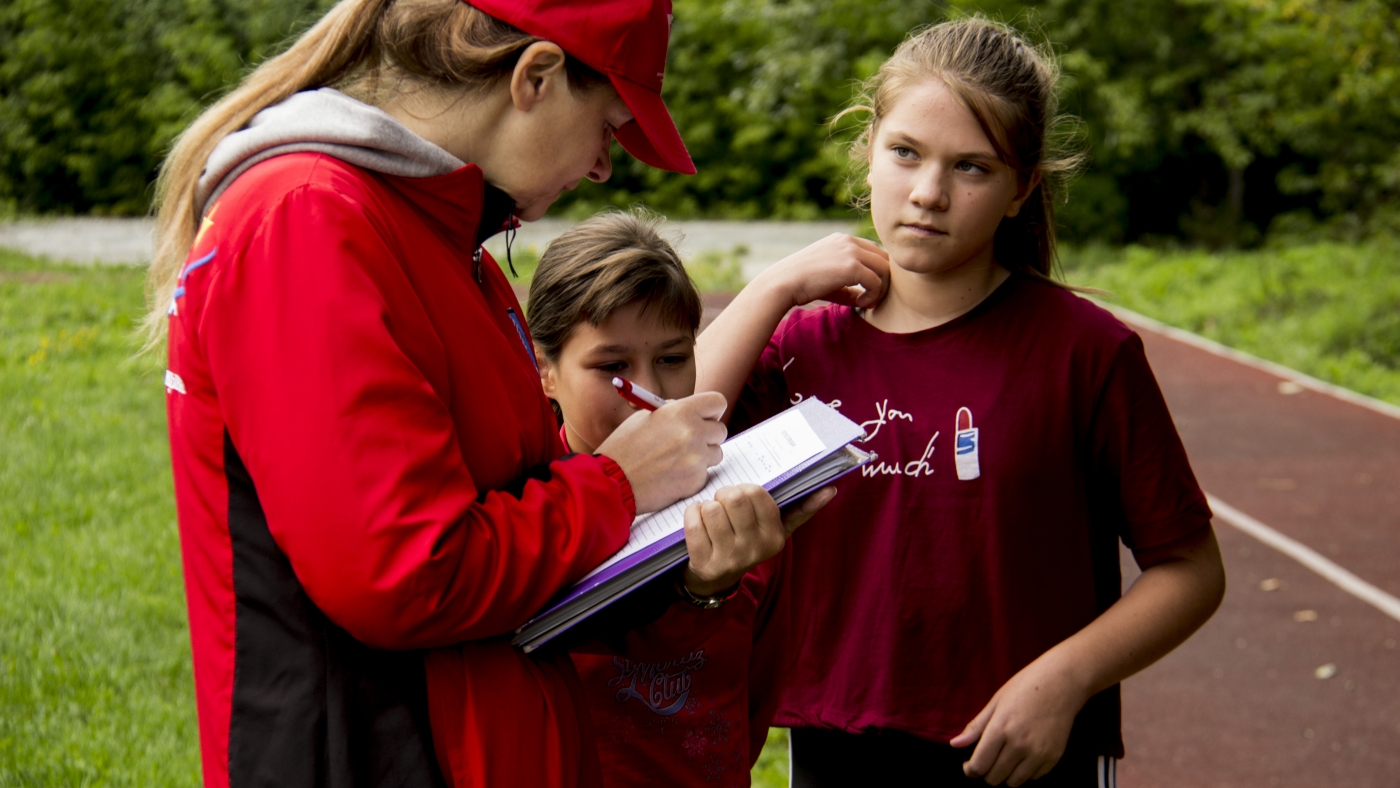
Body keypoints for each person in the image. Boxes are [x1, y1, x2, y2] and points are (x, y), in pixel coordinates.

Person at [147, 1, 840, 786]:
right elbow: (404, 575)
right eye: (609, 127)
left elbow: (521, 528)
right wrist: (617, 484)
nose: (606, 165)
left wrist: (691, 571)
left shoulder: (448, 242)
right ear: (536, 78)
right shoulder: (307, 216)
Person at [697, 18, 1227, 788]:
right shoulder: (801, 344)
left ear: (1021, 190)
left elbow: (1192, 571)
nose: (929, 194)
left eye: (971, 168)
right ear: (869, 150)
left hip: (1025, 754)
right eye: (905, 153)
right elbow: (670, 441)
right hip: (835, 746)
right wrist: (771, 288)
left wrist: (1065, 680)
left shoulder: (1085, 352)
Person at [526, 210, 844, 787]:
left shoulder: (746, 500)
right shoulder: (524, 502)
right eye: (613, 368)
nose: (650, 395)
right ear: (545, 369)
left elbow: (757, 693)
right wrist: (697, 593)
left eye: (673, 359)